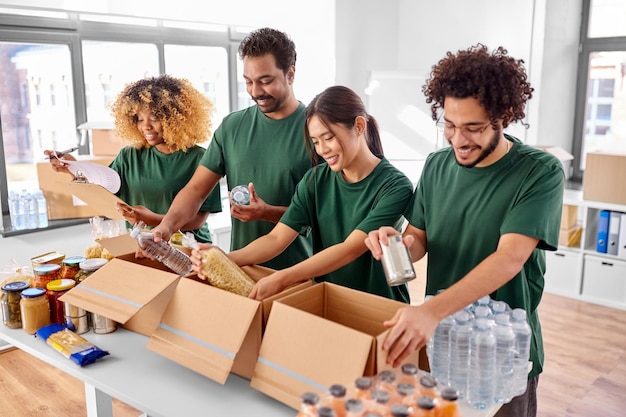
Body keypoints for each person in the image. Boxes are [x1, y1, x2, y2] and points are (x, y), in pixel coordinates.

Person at [364, 44, 564, 417]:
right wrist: (399, 244)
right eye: (450, 126)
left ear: (504, 116)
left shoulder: (539, 172)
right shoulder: (437, 165)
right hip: (447, 348)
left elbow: (509, 258)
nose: (458, 140)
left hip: (505, 353)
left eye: (473, 128)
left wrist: (430, 311)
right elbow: (420, 238)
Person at [192, 85, 414, 302]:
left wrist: (283, 278)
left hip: (380, 305)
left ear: (358, 126)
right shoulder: (315, 180)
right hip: (329, 300)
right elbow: (276, 238)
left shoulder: (395, 186)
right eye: (315, 142)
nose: (322, 149)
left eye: (328, 138)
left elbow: (349, 249)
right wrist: (224, 259)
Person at [150, 27, 313, 270]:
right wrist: (167, 225)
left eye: (265, 81)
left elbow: (322, 214)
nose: (256, 92)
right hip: (239, 270)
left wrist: (267, 212)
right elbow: (196, 190)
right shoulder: (233, 126)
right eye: (248, 82)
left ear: (290, 74)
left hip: (300, 273)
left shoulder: (317, 131)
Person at [45, 74, 221, 243]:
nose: (146, 127)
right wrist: (72, 167)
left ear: (175, 119)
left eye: (155, 118)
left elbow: (197, 220)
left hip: (189, 248)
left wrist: (153, 220)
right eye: (139, 119)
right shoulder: (130, 156)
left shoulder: (200, 159)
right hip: (144, 246)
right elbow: (102, 188)